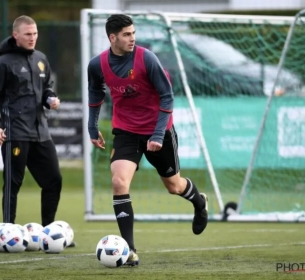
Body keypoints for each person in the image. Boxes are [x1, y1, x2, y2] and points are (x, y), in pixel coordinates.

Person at [87, 14, 208, 266]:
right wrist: (92, 125)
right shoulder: (96, 65)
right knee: (119, 182)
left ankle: (199, 201)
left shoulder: (147, 58)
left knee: (173, 186)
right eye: (127, 34)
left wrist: (157, 134)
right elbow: (96, 92)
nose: (133, 38)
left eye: (133, 33)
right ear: (112, 37)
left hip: (159, 131)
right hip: (126, 132)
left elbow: (167, 97)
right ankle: (129, 250)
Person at [0, 15, 66, 238]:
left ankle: (49, 231)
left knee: (54, 180)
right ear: (16, 35)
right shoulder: (3, 64)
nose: (32, 38)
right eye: (28, 34)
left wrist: (51, 99)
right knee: (13, 183)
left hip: (41, 133)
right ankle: (7, 233)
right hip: (15, 133)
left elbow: (47, 89)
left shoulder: (41, 59)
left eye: (35, 33)